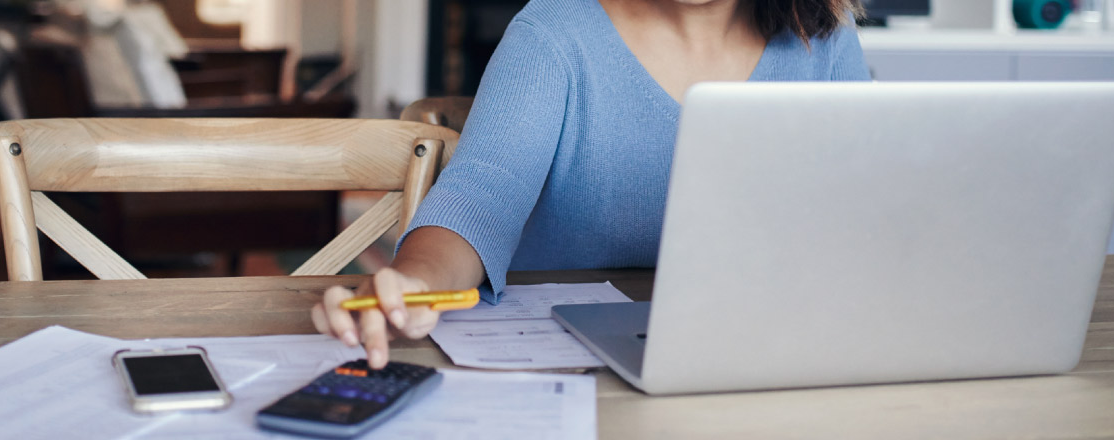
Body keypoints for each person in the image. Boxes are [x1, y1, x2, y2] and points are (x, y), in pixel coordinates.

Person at [313, 0, 871, 368]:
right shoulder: (554, 32)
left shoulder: (822, 39)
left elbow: (859, 217)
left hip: (757, 358)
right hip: (565, 370)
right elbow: (481, 194)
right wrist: (415, 281)